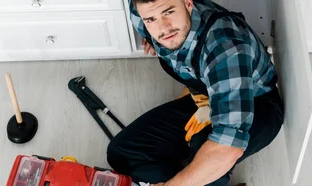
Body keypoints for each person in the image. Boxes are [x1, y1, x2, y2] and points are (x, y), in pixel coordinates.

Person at [106, 0, 284, 185]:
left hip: (255, 105)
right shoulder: (140, 13)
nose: (163, 28)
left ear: (188, 3)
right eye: (151, 20)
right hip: (206, 96)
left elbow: (227, 147)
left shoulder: (225, 47)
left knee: (211, 162)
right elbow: (153, 26)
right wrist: (152, 39)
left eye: (168, 12)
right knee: (122, 155)